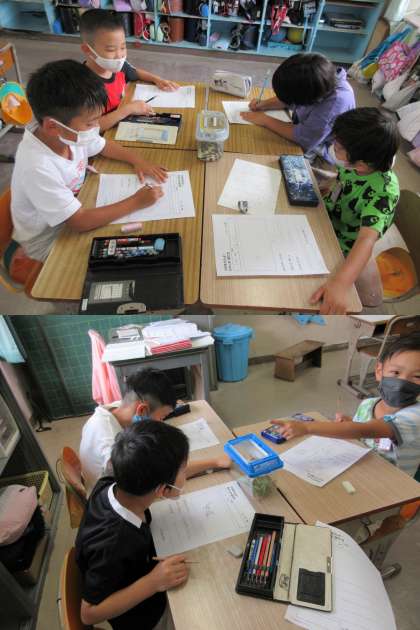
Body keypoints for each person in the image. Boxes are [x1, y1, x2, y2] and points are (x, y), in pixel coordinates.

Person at [8, 60, 166, 277]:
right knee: (122, 264)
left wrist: (137, 160)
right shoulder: (37, 167)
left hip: (76, 205)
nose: (96, 127)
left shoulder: (67, 130)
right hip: (49, 239)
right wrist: (136, 202)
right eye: (91, 123)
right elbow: (79, 222)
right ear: (52, 126)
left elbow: (102, 145)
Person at [76, 420, 190, 629]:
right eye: (184, 470)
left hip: (142, 568)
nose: (186, 474)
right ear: (162, 490)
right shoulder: (114, 543)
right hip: (145, 618)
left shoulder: (110, 483)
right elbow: (88, 614)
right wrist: (153, 582)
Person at [272, 333, 420, 478]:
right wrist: (349, 422)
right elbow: (360, 432)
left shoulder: (415, 416)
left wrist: (306, 427)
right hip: (363, 470)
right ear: (379, 371)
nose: (402, 383)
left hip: (393, 485)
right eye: (396, 372)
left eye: (417, 376)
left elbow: (364, 430)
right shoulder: (367, 405)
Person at [80, 367, 231, 494]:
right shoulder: (110, 445)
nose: (162, 423)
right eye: (162, 417)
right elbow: (165, 473)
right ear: (142, 410)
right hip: (113, 495)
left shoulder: (116, 409)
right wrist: (215, 462)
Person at [309, 107, 400, 313]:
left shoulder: (384, 193)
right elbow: (343, 179)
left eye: (338, 147)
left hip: (344, 243)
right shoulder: (357, 164)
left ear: (361, 164)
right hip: (328, 217)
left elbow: (366, 239)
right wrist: (326, 184)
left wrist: (341, 284)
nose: (333, 146)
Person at [240, 53, 355, 164]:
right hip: (303, 124)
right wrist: (264, 104)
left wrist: (265, 120)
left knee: (269, 153)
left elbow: (304, 138)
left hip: (321, 147)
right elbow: (289, 97)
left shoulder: (335, 104)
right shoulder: (317, 78)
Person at [79, 9, 179, 131]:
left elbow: (135, 72)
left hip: (124, 123)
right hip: (105, 135)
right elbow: (90, 129)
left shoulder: (118, 67)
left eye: (123, 47)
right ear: (88, 50)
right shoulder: (83, 87)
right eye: (111, 50)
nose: (119, 55)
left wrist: (157, 79)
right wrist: (128, 110)